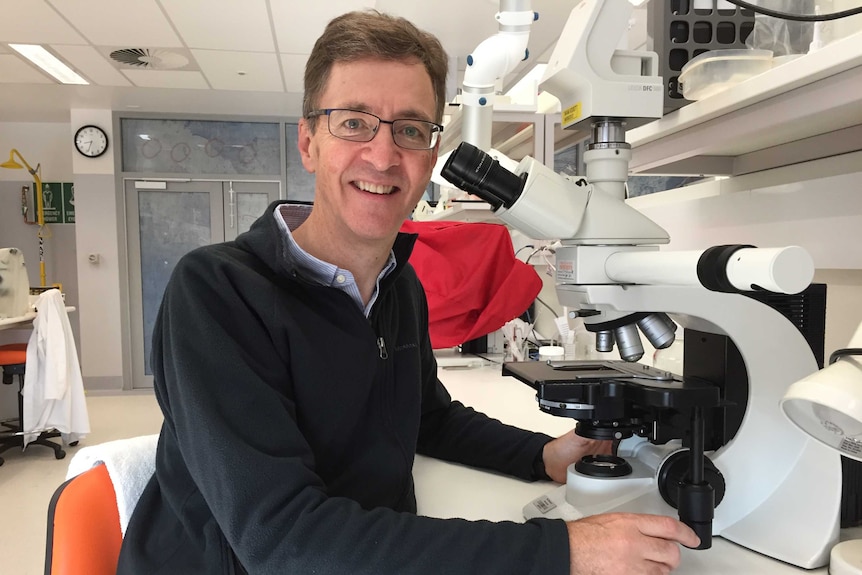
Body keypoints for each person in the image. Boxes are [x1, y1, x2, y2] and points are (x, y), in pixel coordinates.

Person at [117, 9, 699, 575]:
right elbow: (284, 542)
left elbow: (426, 418)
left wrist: (539, 455)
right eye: (353, 122)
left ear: (428, 160)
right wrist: (560, 552)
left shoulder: (399, 287)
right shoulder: (218, 292)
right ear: (309, 142)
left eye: (410, 130)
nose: (382, 154)